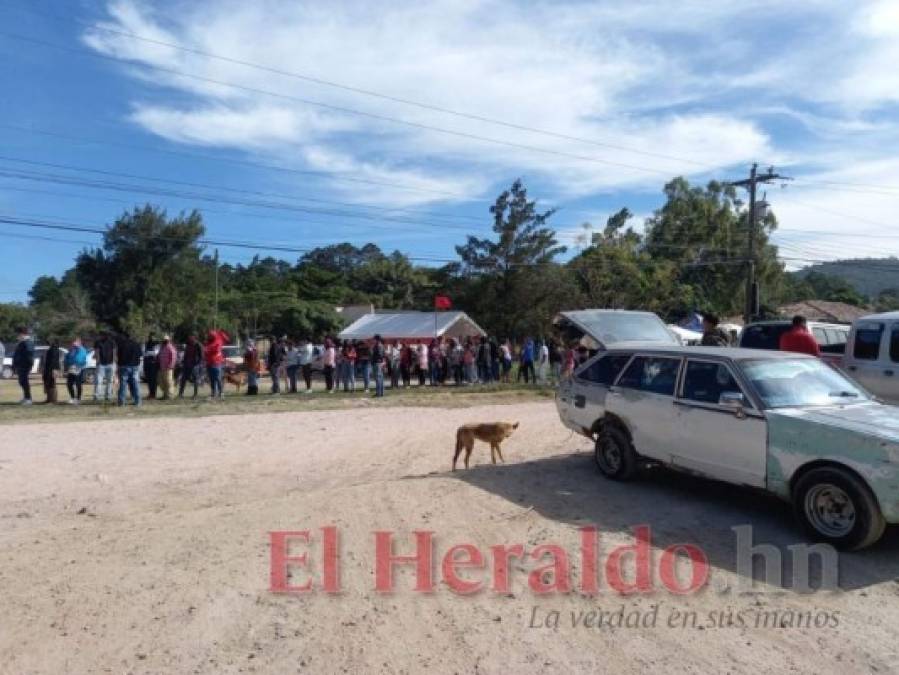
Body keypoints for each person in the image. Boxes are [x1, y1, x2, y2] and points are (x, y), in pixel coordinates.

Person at [115, 331, 142, 406]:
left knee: (123, 385)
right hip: (135, 366)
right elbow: (140, 355)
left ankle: (122, 402)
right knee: (136, 384)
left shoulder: (121, 345)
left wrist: (118, 366)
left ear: (124, 337)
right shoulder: (136, 344)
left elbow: (118, 356)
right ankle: (138, 401)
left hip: (124, 366)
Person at [12, 327, 35, 405]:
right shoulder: (21, 342)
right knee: (21, 382)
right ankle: (25, 397)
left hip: (24, 365)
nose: (18, 335)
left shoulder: (27, 342)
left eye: (19, 334)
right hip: (20, 364)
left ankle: (28, 399)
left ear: (22, 334)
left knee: (24, 382)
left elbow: (29, 354)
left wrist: (29, 364)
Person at [204, 329, 229, 399]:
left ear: (213, 336)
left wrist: (208, 350)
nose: (208, 337)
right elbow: (205, 350)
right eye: (208, 336)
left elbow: (216, 350)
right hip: (209, 363)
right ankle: (213, 393)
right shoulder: (208, 343)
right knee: (211, 379)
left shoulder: (218, 341)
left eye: (209, 336)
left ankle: (221, 393)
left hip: (216, 363)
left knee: (218, 378)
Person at [93, 330, 116, 402]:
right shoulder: (98, 342)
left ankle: (106, 396)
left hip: (108, 364)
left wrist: (114, 362)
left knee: (106, 381)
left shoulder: (112, 342)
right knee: (101, 381)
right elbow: (97, 352)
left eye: (101, 335)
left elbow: (114, 352)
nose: (100, 336)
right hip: (104, 364)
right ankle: (98, 396)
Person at [64, 337, 88, 404]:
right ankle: (72, 397)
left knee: (78, 384)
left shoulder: (82, 350)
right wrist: (66, 363)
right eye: (73, 342)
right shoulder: (72, 350)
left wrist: (77, 348)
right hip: (71, 368)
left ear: (79, 342)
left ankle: (78, 398)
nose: (73, 343)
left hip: (79, 368)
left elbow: (80, 359)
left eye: (75, 342)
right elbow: (67, 357)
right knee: (69, 384)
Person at [178, 334, 203, 399]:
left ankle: (195, 395)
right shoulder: (188, 344)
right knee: (183, 379)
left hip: (195, 365)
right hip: (187, 365)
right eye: (189, 338)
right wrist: (183, 362)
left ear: (194, 338)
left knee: (195, 380)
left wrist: (198, 363)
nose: (190, 339)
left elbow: (201, 356)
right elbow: (186, 354)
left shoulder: (198, 345)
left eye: (191, 337)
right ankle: (180, 394)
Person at [157, 335, 177, 400]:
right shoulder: (162, 347)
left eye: (166, 340)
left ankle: (170, 396)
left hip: (168, 368)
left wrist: (171, 366)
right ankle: (165, 395)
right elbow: (159, 356)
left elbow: (173, 358)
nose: (164, 341)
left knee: (168, 382)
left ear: (168, 340)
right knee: (161, 382)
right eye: (164, 340)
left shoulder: (171, 347)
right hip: (161, 367)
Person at [42, 339, 62, 404]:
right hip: (50, 369)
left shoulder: (53, 350)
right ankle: (49, 399)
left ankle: (53, 400)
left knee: (52, 384)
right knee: (49, 384)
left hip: (52, 369)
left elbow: (53, 361)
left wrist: (51, 370)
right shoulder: (52, 349)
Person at [143, 333, 160, 399]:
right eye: (150, 336)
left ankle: (153, 394)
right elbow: (143, 353)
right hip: (147, 363)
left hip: (154, 364)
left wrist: (147, 353)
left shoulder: (157, 343)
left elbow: (155, 353)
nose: (151, 338)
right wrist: (148, 353)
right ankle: (150, 393)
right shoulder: (147, 343)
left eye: (153, 336)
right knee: (149, 380)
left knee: (153, 380)